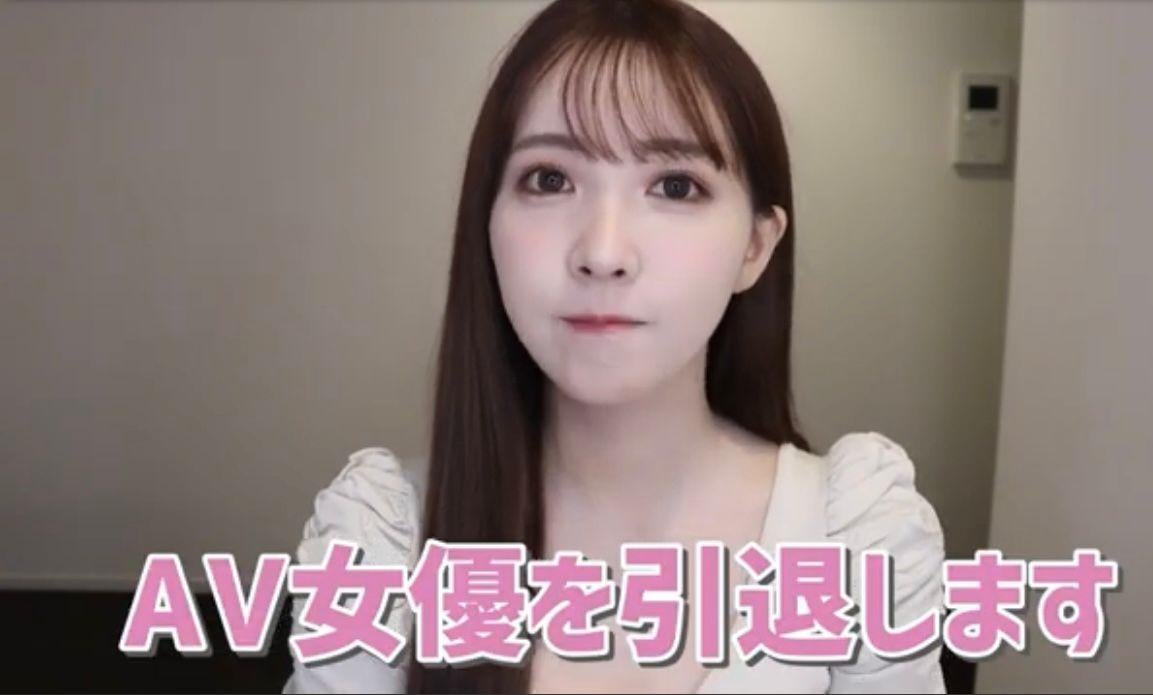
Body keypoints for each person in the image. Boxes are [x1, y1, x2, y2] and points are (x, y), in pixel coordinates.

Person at [284, 0, 946, 692]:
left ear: (756, 246)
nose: (603, 253)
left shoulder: (855, 543)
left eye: (675, 186)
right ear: (486, 224)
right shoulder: (379, 546)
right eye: (550, 179)